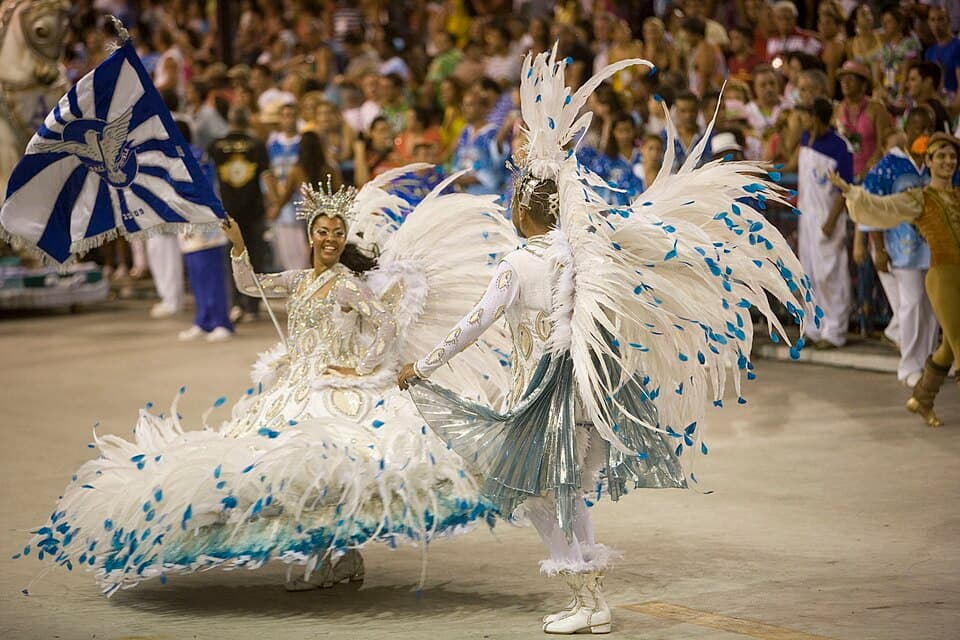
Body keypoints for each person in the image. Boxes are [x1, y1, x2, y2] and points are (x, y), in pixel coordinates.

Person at [399, 48, 815, 636]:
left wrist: (423, 364)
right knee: (567, 495)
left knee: (540, 498)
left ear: (524, 206)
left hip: (548, 392)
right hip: (593, 386)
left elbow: (474, 323)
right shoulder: (580, 251)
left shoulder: (518, 263)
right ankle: (591, 602)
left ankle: (585, 595)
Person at [22, 170, 519, 595]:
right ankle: (333, 557)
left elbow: (385, 324)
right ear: (311, 235)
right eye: (322, 231)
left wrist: (363, 368)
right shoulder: (299, 280)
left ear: (344, 238)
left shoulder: (348, 284)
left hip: (332, 389)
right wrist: (239, 249)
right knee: (288, 469)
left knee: (332, 467)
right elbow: (250, 287)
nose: (329, 239)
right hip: (291, 386)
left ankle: (332, 557)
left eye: (337, 233)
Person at [831, 132, 960, 427]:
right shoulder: (919, 198)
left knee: (949, 347)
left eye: (952, 156)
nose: (948, 161)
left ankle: (922, 399)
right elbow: (883, 207)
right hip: (941, 277)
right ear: (928, 161)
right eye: (941, 155)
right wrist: (851, 191)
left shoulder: (958, 196)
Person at [858, 108, 939, 387]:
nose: (924, 136)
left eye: (929, 130)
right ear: (907, 130)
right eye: (919, 130)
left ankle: (930, 361)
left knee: (931, 307)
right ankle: (909, 365)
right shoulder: (887, 167)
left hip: (933, 249)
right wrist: (878, 248)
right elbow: (869, 209)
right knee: (912, 303)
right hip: (901, 250)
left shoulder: (934, 164)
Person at [796, 97, 855, 349]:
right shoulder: (805, 140)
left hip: (826, 216)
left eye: (808, 116)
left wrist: (831, 220)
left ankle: (835, 330)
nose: (804, 121)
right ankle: (813, 327)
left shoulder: (840, 146)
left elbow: (846, 188)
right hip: (805, 216)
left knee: (828, 273)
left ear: (818, 117)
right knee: (808, 273)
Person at [208, 107, 272, 323]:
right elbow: (267, 176)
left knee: (234, 258)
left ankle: (235, 303)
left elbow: (208, 179)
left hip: (228, 213)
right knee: (255, 258)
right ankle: (252, 305)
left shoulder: (215, 146)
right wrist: (274, 203)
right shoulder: (257, 145)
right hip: (253, 211)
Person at [266, 102, 308, 271]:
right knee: (285, 253)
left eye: (292, 115)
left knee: (303, 252)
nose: (288, 120)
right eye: (285, 115)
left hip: (300, 201)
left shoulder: (303, 143)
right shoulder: (273, 145)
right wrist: (273, 201)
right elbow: (269, 175)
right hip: (280, 204)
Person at [834, 60, 889, 182]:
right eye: (843, 79)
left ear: (863, 85)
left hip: (872, 176)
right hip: (843, 177)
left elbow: (884, 145)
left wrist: (869, 169)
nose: (846, 83)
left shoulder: (876, 109)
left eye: (851, 79)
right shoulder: (837, 110)